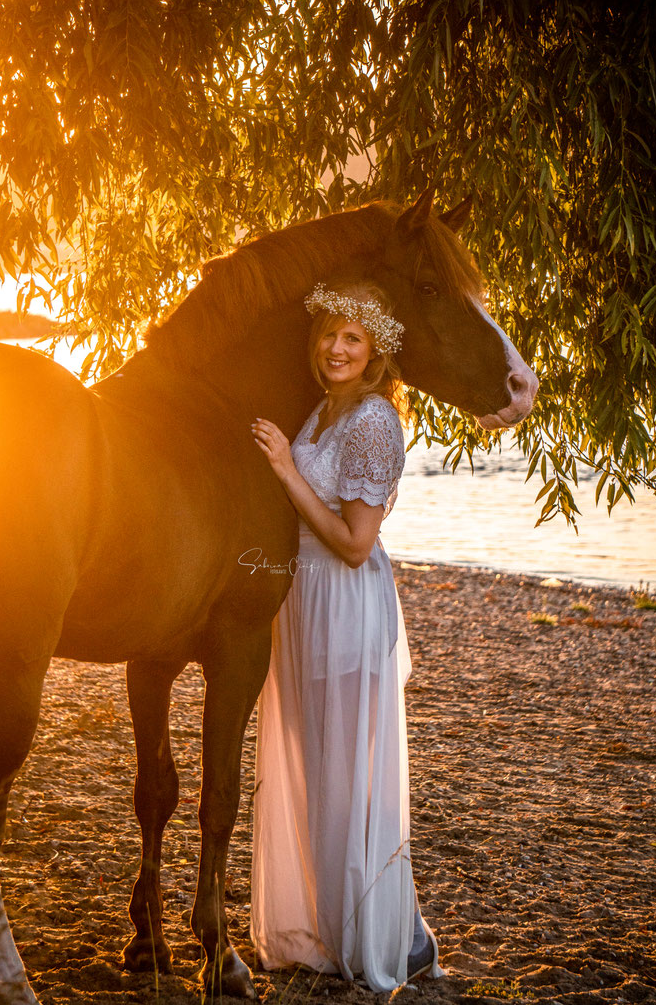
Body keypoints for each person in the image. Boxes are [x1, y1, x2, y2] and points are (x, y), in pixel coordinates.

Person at [249, 280, 446, 992]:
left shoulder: (373, 421)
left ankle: (388, 933)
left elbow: (356, 543)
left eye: (353, 339)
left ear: (376, 353)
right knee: (312, 764)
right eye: (331, 333)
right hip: (301, 601)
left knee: (348, 773)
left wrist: (281, 468)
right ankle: (334, 922)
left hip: (345, 601)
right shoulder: (323, 411)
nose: (337, 347)